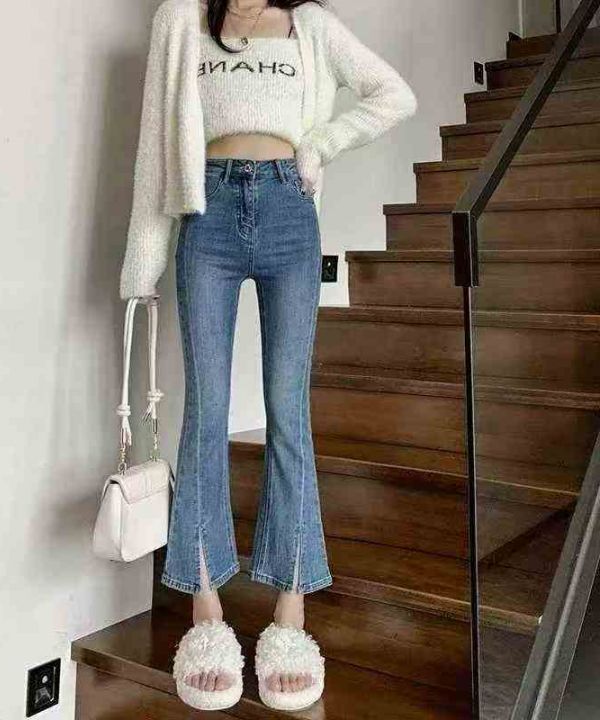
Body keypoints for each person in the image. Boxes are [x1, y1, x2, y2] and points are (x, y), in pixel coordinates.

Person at [118, 0, 417, 711]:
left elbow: (393, 95)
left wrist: (319, 145)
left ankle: (290, 616)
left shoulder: (310, 25)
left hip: (288, 212)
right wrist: (142, 266)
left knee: (288, 410)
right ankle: (206, 614)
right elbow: (156, 146)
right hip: (207, 217)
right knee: (206, 412)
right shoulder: (181, 19)